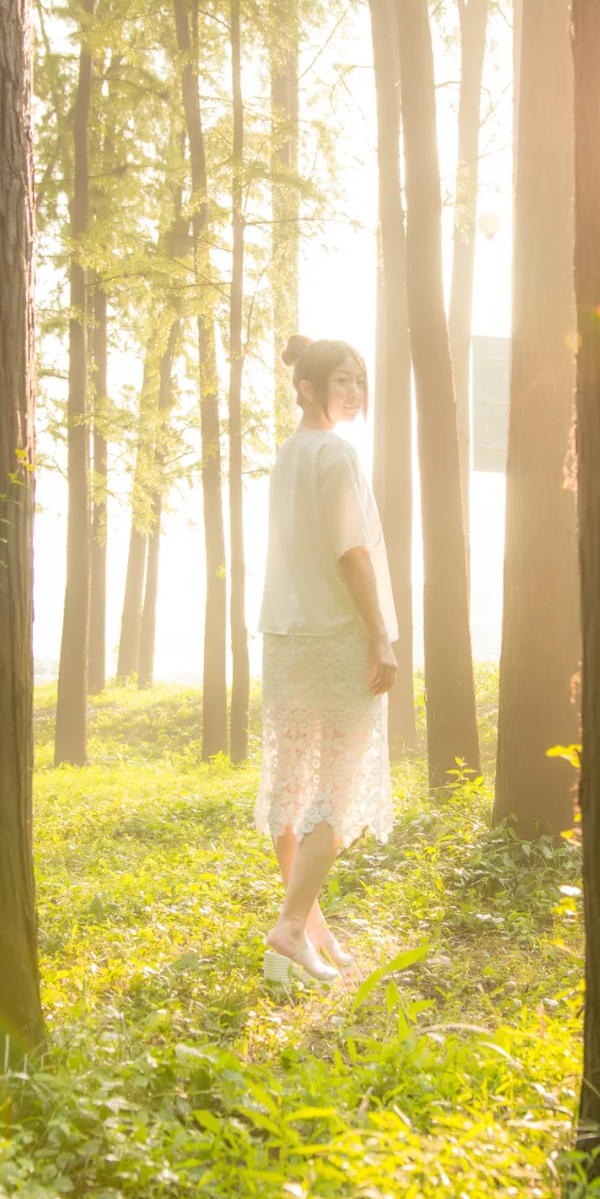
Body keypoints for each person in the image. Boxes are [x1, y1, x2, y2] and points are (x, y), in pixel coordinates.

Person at [255, 334, 399, 986]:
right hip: (336, 636)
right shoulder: (335, 456)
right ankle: (289, 929)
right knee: (337, 787)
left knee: (293, 782)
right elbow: (352, 554)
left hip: (287, 638)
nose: (353, 391)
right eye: (341, 380)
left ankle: (310, 922)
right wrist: (381, 635)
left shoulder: (289, 455)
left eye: (358, 381)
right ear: (307, 388)